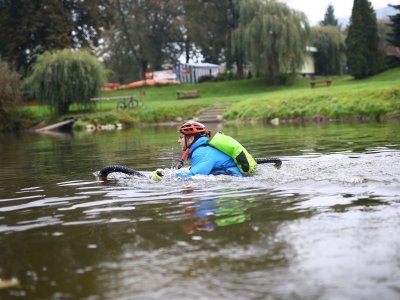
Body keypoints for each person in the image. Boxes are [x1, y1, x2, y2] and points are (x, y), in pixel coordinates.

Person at [152, 121, 243, 180]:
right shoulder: (202, 150)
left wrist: (166, 177)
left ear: (191, 139)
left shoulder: (202, 153)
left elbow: (194, 176)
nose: (178, 141)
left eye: (181, 137)